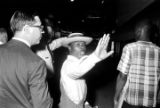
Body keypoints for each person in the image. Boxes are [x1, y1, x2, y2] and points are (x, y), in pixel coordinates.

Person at [0, 10, 53, 108]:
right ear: (27, 29)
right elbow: (42, 105)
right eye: (40, 27)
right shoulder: (36, 62)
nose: (43, 31)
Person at [59, 32, 114, 108]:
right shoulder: (68, 64)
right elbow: (77, 70)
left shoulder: (81, 62)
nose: (82, 47)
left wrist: (85, 103)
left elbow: (79, 88)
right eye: (78, 44)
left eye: (83, 44)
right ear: (69, 48)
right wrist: (95, 56)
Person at [114, 19, 160, 108]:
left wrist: (116, 96)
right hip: (150, 102)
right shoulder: (158, 50)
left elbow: (122, 76)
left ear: (138, 31)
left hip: (131, 101)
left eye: (135, 31)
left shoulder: (129, 48)